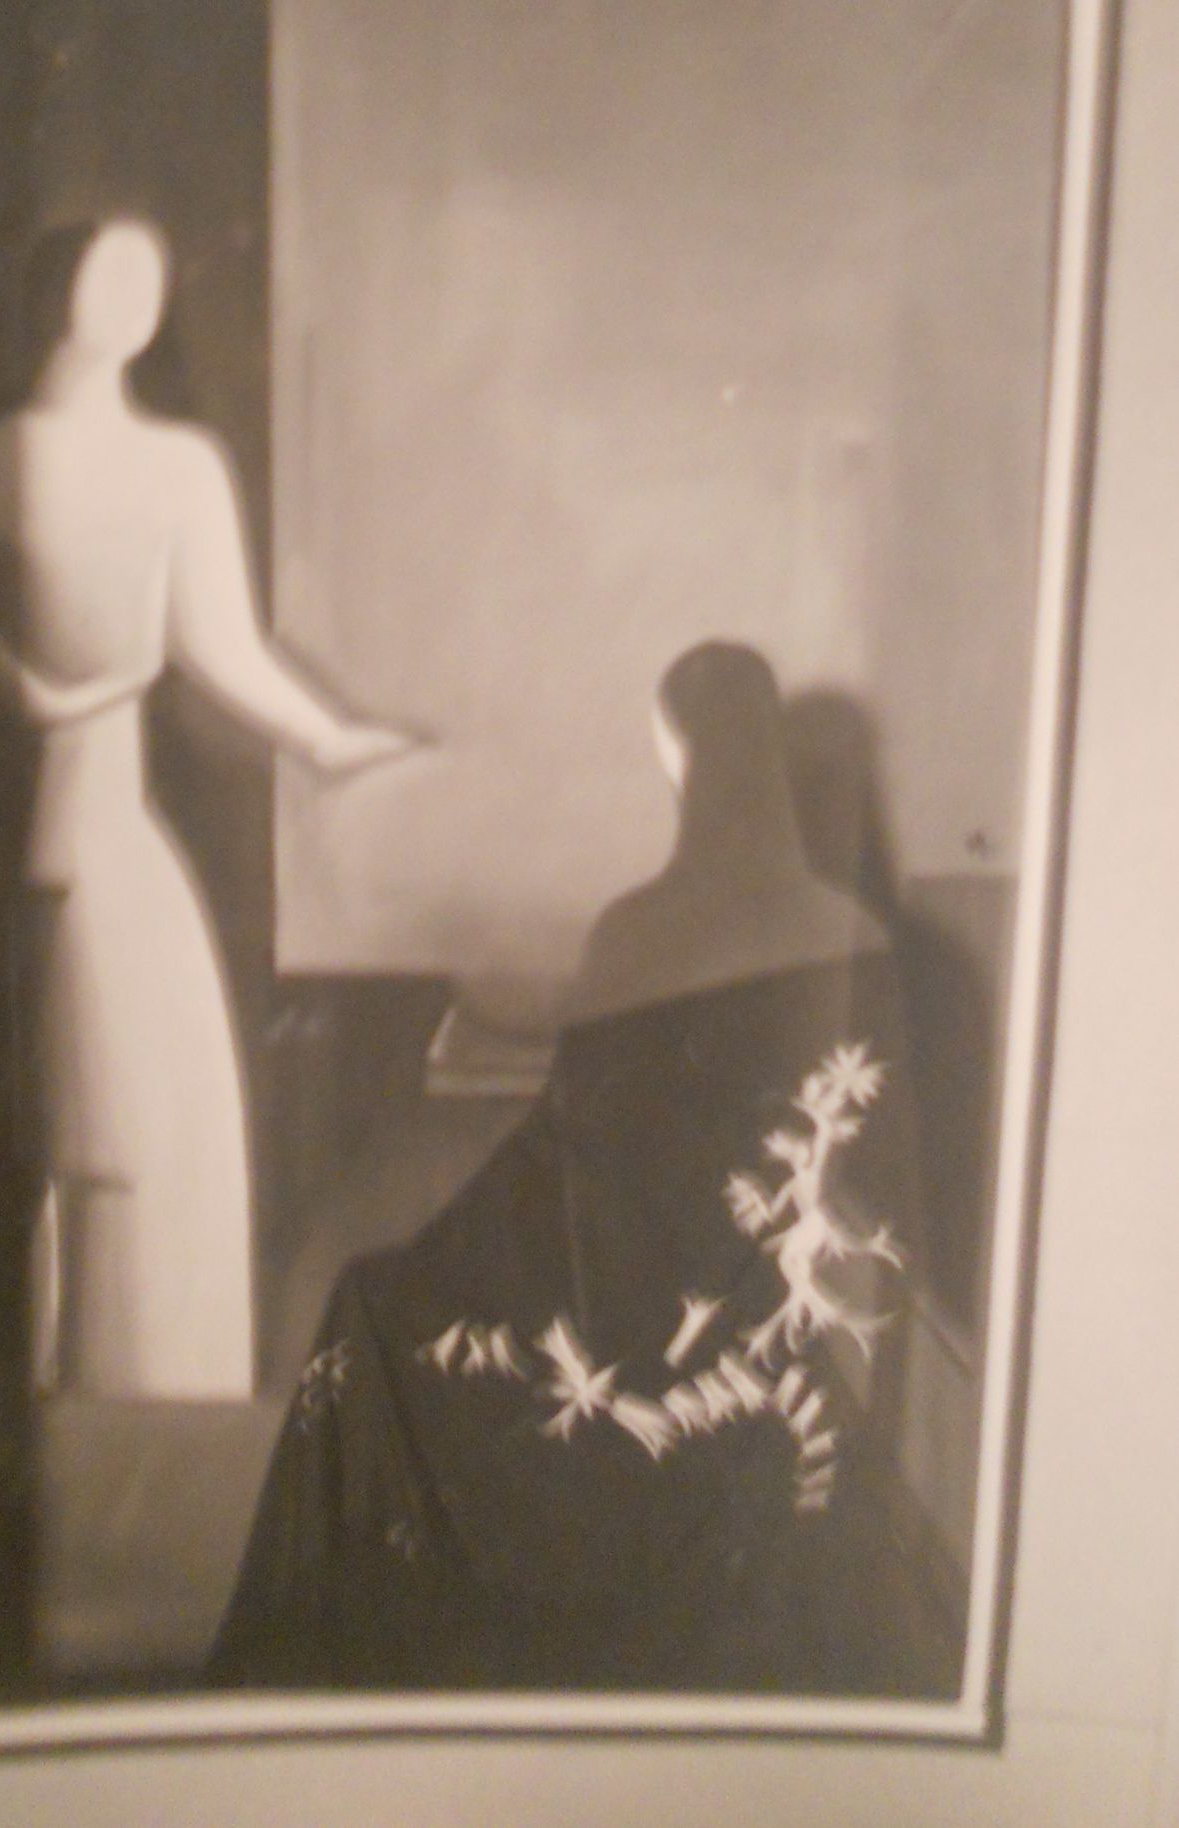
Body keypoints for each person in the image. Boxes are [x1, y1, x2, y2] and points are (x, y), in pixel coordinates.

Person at [209, 643, 956, 1697]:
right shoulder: (858, 935)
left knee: (369, 1309)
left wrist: (472, 1245)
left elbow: (574, 1150)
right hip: (783, 1305)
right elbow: (883, 1169)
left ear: (680, 756)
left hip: (641, 1303)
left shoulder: (636, 927)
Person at [0, 218, 411, 1402]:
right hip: (35, 832)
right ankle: (58, 1399)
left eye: (149, 273)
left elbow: (221, 646)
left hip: (113, 825)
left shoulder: (181, 465)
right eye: (110, 268)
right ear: (56, 288)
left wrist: (325, 738)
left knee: (158, 1103)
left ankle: (149, 1395)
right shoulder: (3, 449)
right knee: (69, 1113)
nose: (137, 290)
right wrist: (24, 686)